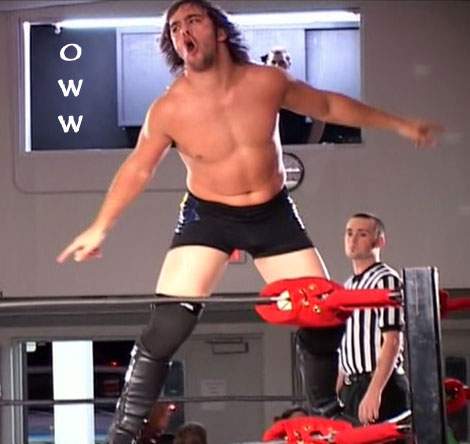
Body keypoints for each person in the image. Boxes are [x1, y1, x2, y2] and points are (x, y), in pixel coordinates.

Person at [56, 1, 440, 442]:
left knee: (324, 313)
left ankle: (325, 410)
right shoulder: (169, 109)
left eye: (193, 21)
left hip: (271, 213)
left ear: (219, 31)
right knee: (167, 327)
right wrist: (100, 226)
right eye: (175, 28)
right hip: (208, 215)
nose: (183, 32)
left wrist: (399, 124)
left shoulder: (266, 83)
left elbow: (328, 105)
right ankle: (123, 432)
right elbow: (138, 168)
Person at [336, 213, 410, 426]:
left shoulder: (385, 279)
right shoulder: (348, 286)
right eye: (349, 233)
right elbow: (347, 344)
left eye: (362, 234)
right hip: (352, 385)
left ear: (379, 241)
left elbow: (392, 340)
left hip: (379, 382)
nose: (353, 240)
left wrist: (375, 390)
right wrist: (335, 392)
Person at [260, 47, 324, 144]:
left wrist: (310, 146)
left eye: (281, 62)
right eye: (273, 62)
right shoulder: (259, 92)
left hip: (295, 148)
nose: (277, 66)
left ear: (288, 64)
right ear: (266, 65)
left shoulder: (300, 92)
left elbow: (319, 119)